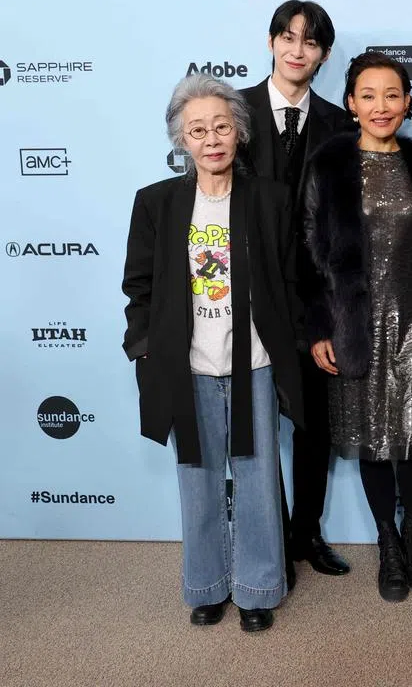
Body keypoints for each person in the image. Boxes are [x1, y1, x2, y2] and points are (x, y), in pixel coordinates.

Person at [122, 73, 305, 632]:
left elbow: (294, 281)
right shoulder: (156, 203)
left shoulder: (271, 201)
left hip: (253, 363)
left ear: (239, 132)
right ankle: (205, 586)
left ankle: (256, 589)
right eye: (197, 129)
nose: (211, 138)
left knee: (256, 482)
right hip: (188, 367)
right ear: (181, 140)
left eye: (221, 126)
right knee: (197, 480)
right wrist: (147, 350)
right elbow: (140, 285)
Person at [302, 51, 412, 603]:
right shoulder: (328, 164)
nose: (381, 106)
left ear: (407, 102)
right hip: (355, 324)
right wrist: (320, 326)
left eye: (392, 95)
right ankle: (388, 542)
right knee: (374, 441)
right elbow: (309, 251)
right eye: (368, 95)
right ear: (351, 103)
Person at [239, 0, 354, 582]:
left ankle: (305, 533)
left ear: (324, 55)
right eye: (287, 37)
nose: (296, 50)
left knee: (313, 425)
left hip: (315, 301)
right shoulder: (233, 113)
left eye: (309, 42)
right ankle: (265, 539)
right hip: (244, 297)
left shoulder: (339, 123)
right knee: (254, 425)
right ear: (270, 42)